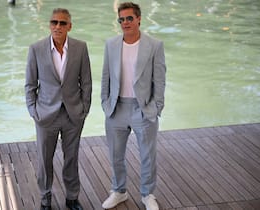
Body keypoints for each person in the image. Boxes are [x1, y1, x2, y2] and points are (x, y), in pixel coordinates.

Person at [101, 2, 166, 210]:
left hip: (143, 109)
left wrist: (156, 108)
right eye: (122, 19)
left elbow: (160, 79)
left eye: (129, 18)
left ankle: (148, 195)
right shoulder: (111, 44)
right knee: (115, 155)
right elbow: (105, 77)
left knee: (148, 155)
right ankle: (119, 191)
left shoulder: (154, 45)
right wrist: (105, 103)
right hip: (116, 108)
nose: (125, 23)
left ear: (139, 19)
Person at [25, 8, 92, 210]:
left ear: (69, 26)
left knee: (71, 158)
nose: (58, 26)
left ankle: (72, 198)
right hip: (45, 115)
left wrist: (84, 109)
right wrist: (33, 111)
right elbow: (30, 84)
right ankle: (45, 200)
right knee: (44, 160)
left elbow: (86, 82)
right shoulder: (36, 49)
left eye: (63, 23)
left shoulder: (80, 48)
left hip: (73, 114)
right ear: (49, 25)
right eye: (54, 22)